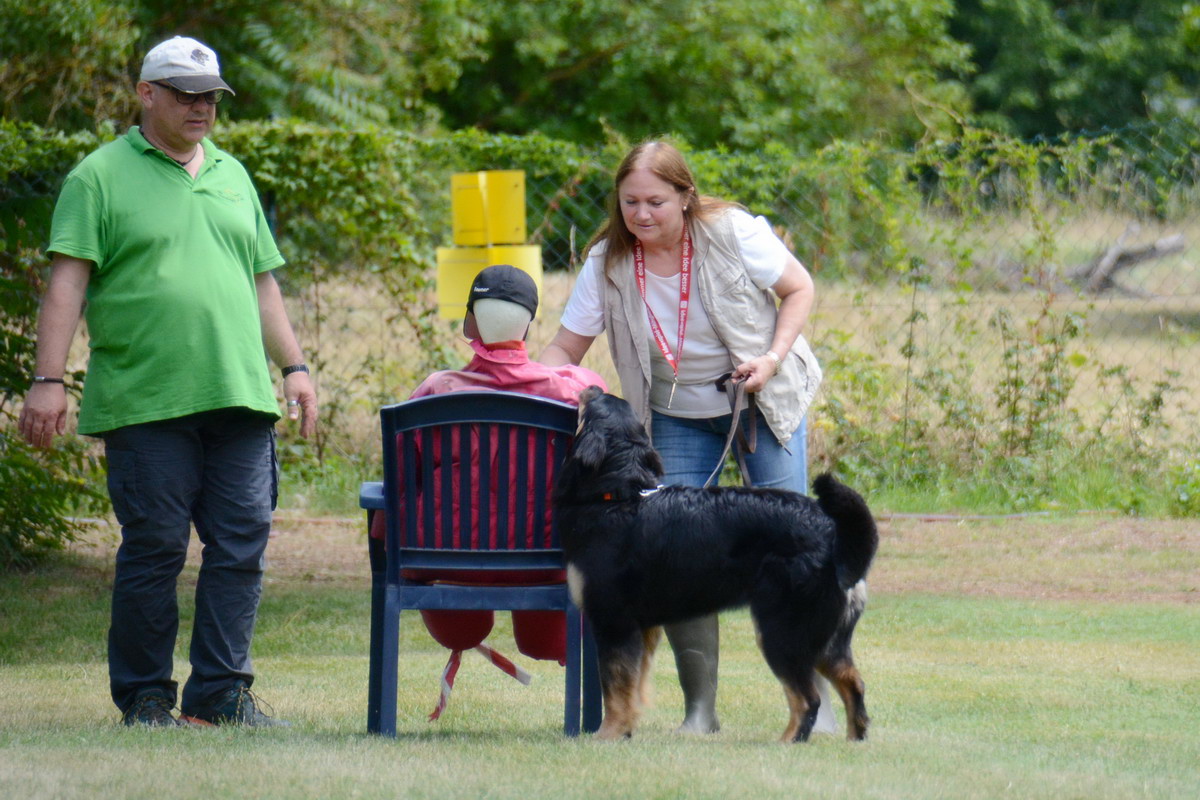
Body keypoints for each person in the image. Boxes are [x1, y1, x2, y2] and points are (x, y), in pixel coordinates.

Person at [17, 35, 317, 728]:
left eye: (210, 95)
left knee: (242, 542)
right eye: (185, 93)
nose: (201, 106)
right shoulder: (98, 176)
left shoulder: (234, 175)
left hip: (239, 395)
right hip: (146, 400)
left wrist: (295, 368)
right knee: (154, 548)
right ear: (146, 94)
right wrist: (48, 379)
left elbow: (262, 282)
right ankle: (147, 696)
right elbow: (67, 283)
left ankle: (220, 696)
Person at [540, 140, 836, 735]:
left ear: (685, 196)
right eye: (630, 202)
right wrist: (525, 385)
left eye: (655, 201)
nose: (641, 215)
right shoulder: (606, 262)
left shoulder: (732, 233)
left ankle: (818, 707)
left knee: (793, 553)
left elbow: (799, 288)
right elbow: (565, 352)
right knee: (675, 560)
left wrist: (773, 359)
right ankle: (700, 710)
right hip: (671, 413)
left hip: (760, 397)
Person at [368, 264, 606, 718]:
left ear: (469, 323)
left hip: (448, 561)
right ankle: (589, 712)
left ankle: (451, 641)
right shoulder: (576, 392)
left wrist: (385, 530)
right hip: (547, 561)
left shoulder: (435, 393)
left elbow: (399, 479)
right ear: (530, 325)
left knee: (456, 616)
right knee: (548, 629)